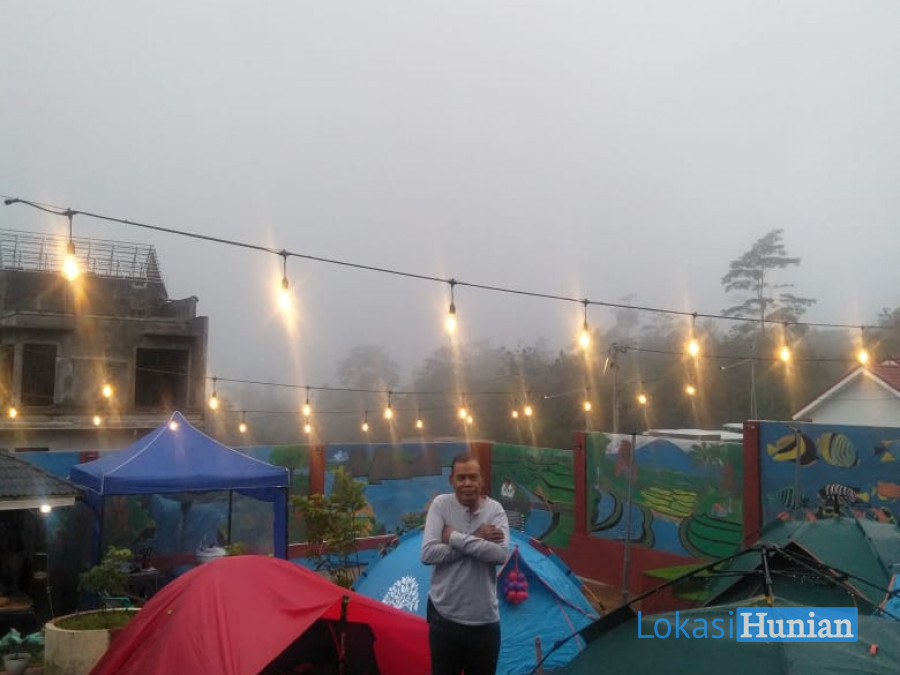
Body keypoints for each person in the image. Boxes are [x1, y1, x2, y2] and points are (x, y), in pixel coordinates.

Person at [421, 453, 509, 675]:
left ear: (482, 479)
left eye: (473, 477)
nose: (467, 483)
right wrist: (478, 537)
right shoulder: (441, 505)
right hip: (444, 620)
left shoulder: (495, 510)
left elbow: (499, 555)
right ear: (451, 480)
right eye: (461, 478)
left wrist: (453, 537)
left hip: (484, 624)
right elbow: (428, 553)